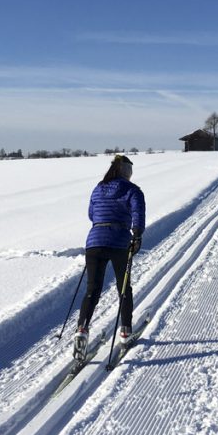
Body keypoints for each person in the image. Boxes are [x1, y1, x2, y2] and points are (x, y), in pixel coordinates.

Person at [74, 154, 146, 361]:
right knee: (124, 288)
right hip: (119, 241)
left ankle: (82, 329)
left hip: (94, 241)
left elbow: (91, 214)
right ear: (126, 171)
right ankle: (125, 331)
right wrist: (137, 235)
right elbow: (138, 214)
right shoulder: (133, 190)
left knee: (92, 289)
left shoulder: (98, 188)